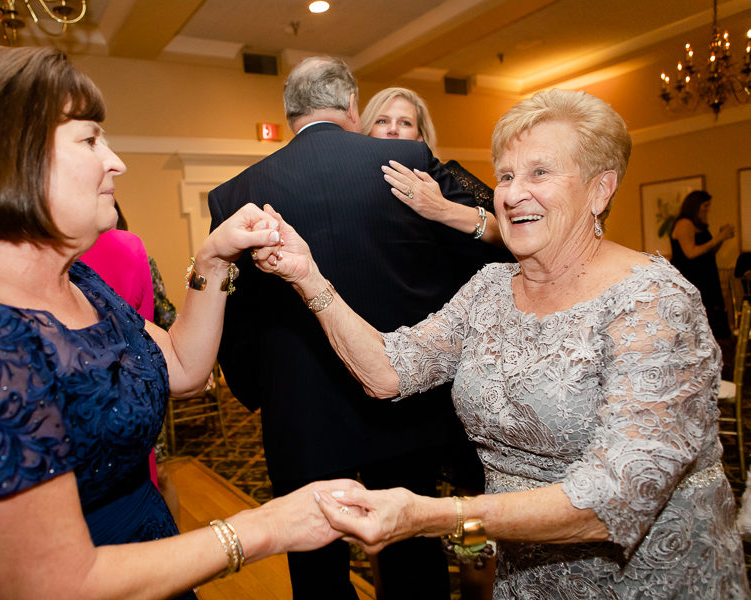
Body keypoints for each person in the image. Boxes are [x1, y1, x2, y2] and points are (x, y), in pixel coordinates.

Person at [0, 43, 342, 600]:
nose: (117, 161)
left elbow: (182, 368)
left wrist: (212, 260)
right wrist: (265, 526)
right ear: (8, 160)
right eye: (90, 139)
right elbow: (51, 586)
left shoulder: (77, 279)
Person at [257, 88, 749, 598]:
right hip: (528, 576)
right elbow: (388, 371)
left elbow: (616, 497)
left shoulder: (653, 299)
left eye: (540, 173)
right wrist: (309, 278)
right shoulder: (491, 288)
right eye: (507, 175)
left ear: (600, 190)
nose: (512, 194)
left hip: (649, 578)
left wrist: (436, 516)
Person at [208, 56, 501, 599]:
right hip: (404, 403)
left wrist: (262, 390)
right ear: (352, 106)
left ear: (290, 111)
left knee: (316, 567)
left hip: (301, 414)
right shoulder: (410, 162)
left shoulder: (234, 194)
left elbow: (236, 315)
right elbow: (492, 250)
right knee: (413, 552)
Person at [360, 87, 496, 213]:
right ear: (368, 129)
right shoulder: (355, 176)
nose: (393, 130)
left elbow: (498, 221)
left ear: (420, 137)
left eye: (405, 123)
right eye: (382, 121)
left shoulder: (445, 176)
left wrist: (442, 207)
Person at [669, 190, 735, 340]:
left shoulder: (700, 225)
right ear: (695, 206)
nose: (707, 209)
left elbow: (708, 252)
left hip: (707, 277)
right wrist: (718, 238)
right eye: (705, 205)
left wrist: (721, 239)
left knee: (715, 317)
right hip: (692, 278)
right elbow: (690, 252)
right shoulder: (684, 223)